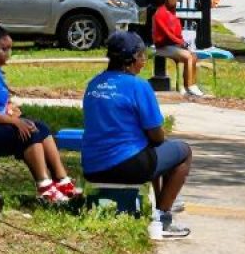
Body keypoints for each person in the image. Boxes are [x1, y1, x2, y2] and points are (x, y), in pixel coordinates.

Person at [82, 31, 192, 239]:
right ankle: (163, 218)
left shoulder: (94, 84)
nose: (144, 61)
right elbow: (157, 136)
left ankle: (159, 204)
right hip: (128, 166)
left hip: (93, 167)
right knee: (183, 152)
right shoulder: (138, 86)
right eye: (142, 56)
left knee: (152, 153)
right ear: (132, 58)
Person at [0, 22, 83, 206]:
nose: (8, 55)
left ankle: (62, 181)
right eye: (4, 49)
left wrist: (10, 108)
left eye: (10, 49)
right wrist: (11, 121)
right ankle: (44, 187)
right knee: (29, 131)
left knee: (41, 127)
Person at [151, 0, 209, 98]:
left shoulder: (172, 13)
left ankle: (192, 85)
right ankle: (189, 87)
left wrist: (182, 42)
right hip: (163, 46)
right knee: (188, 57)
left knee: (194, 56)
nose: (177, 0)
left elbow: (177, 33)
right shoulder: (160, 13)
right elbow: (167, 34)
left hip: (174, 45)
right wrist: (181, 43)